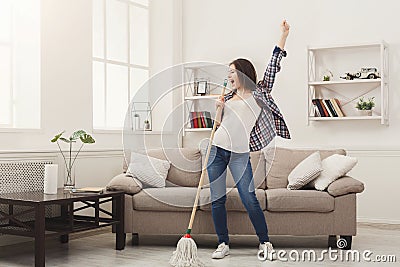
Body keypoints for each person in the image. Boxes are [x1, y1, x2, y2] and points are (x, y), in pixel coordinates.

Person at [206, 20, 291, 260]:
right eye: (228, 72)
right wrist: (219, 109)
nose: (229, 75)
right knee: (217, 199)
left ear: (242, 72)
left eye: (232, 71)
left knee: (248, 197)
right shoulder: (227, 96)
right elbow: (219, 127)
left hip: (240, 153)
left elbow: (274, 64)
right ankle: (223, 243)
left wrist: (283, 35)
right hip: (216, 150)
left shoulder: (259, 92)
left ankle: (265, 242)